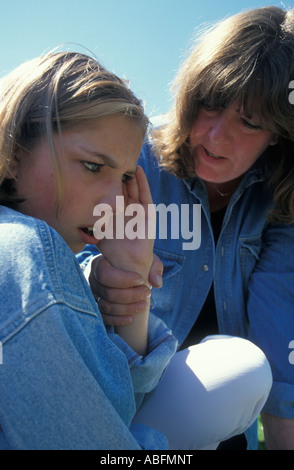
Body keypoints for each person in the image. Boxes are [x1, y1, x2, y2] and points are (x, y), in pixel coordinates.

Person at [0, 51, 272, 450]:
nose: (115, 199)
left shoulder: (57, 249)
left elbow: (124, 399)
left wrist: (131, 275)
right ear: (17, 147)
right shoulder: (23, 248)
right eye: (93, 166)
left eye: (126, 176)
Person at [80, 6, 294, 449]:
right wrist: (99, 275)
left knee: (245, 368)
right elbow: (62, 256)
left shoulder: (281, 203)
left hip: (225, 408)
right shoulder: (131, 159)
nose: (215, 138)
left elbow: (281, 336)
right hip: (114, 398)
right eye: (210, 106)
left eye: (249, 122)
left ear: (279, 132)